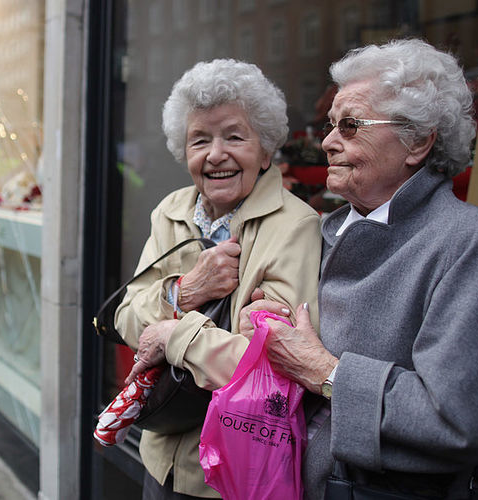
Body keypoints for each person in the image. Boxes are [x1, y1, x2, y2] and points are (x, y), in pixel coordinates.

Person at [238, 39, 478, 499]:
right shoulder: (321, 232)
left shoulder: (472, 243)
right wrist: (264, 328)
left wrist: (324, 371)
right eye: (330, 125)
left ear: (418, 142)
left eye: (350, 125)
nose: (326, 141)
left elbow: (460, 420)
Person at [114, 59, 322, 499]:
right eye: (199, 140)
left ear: (266, 150)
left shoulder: (296, 226)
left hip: (233, 472)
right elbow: (126, 318)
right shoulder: (169, 211)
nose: (215, 154)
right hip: (160, 458)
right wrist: (188, 290)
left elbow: (276, 366)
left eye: (234, 136)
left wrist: (173, 333)